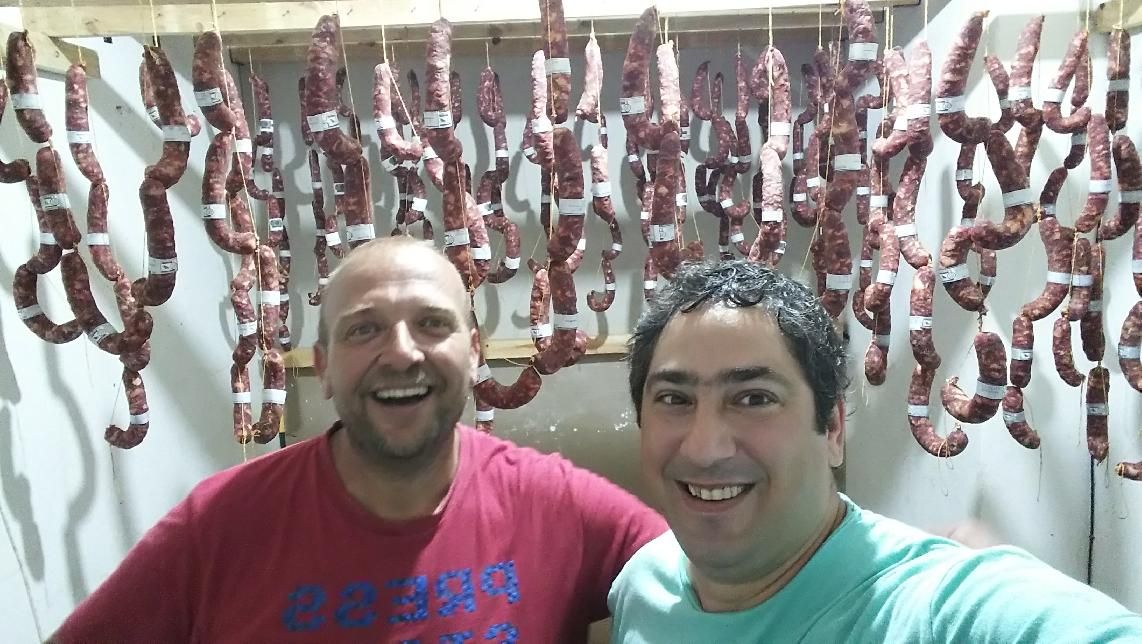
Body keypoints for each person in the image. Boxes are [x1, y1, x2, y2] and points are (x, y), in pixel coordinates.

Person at [50, 236, 666, 643]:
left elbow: (710, 588)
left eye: (432, 323)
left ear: (474, 352)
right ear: (322, 366)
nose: (401, 353)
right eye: (364, 329)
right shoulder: (218, 525)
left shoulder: (559, 506)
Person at [608, 259, 1142, 642]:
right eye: (674, 399)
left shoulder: (937, 608)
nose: (705, 448)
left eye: (754, 398)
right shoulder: (641, 585)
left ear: (832, 429)